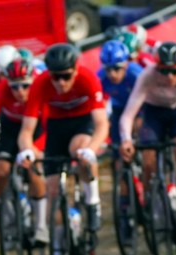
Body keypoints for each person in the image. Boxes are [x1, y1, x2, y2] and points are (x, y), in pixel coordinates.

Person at [18, 43, 108, 235]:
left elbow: (101, 123)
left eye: (66, 76)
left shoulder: (88, 79)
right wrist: (26, 150)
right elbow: (27, 130)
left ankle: (93, 202)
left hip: (82, 124)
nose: (60, 82)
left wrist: (91, 150)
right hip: (56, 127)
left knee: (79, 149)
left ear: (75, 70)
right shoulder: (40, 83)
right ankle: (59, 246)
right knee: (52, 190)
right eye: (55, 77)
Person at [119, 42, 176, 232]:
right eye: (164, 72)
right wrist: (126, 140)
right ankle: (155, 205)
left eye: (174, 71)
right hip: (154, 114)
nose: (170, 77)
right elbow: (128, 115)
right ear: (157, 67)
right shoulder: (147, 75)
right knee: (148, 161)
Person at [0, 56, 49, 245]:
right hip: (10, 129)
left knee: (33, 170)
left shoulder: (41, 89)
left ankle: (41, 226)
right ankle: (9, 218)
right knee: (2, 170)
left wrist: (36, 151)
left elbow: (49, 126)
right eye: (14, 87)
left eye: (24, 86)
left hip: (37, 129)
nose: (20, 92)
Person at [97, 39, 143, 146]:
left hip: (140, 105)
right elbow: (100, 104)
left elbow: (149, 97)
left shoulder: (136, 73)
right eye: (108, 69)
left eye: (117, 69)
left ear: (126, 65)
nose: (112, 74)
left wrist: (140, 116)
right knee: (116, 140)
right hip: (119, 106)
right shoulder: (100, 77)